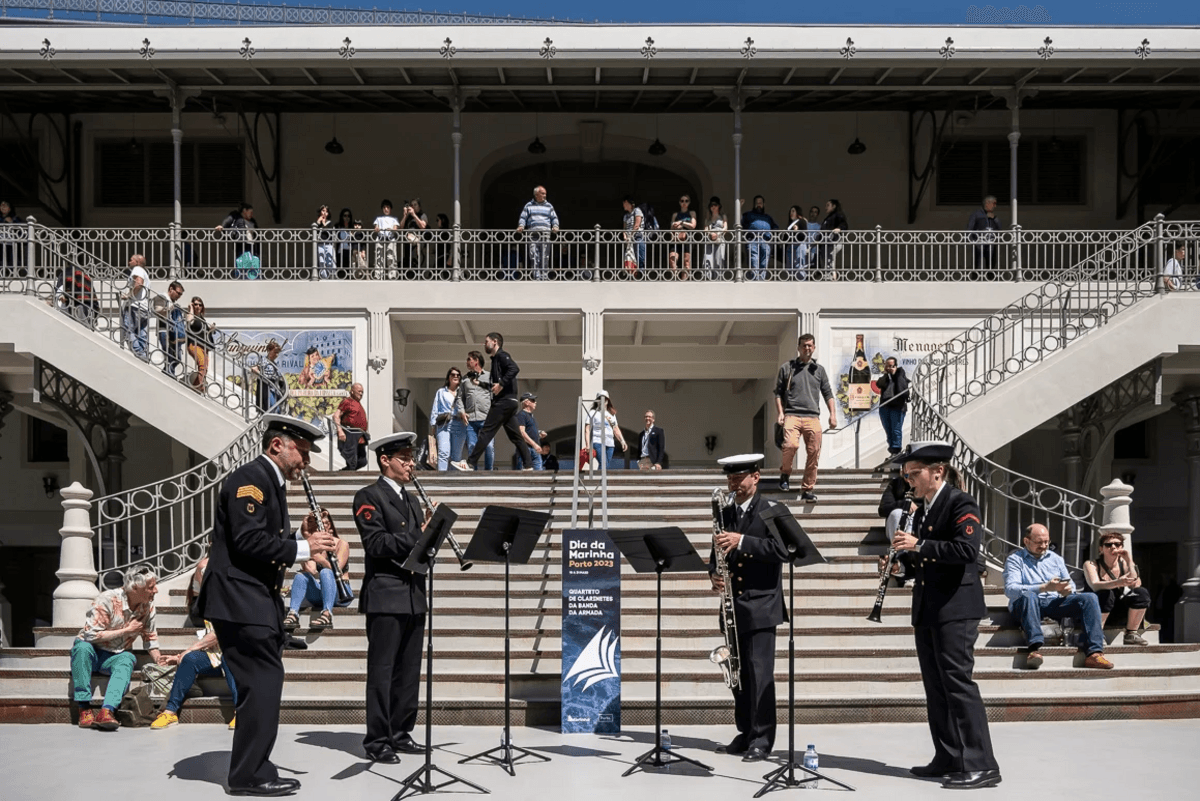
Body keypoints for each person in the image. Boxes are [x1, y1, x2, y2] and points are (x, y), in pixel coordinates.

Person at [195, 414, 337, 796]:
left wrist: (297, 536)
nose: (305, 463)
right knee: (262, 684)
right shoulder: (251, 480)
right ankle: (247, 775)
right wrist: (304, 548)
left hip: (252, 600)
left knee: (262, 685)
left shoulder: (270, 483)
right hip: (239, 600)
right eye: (302, 453)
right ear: (278, 445)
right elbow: (247, 542)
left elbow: (263, 539)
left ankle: (257, 766)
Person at [889, 442, 1001, 789]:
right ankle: (948, 756)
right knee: (935, 687)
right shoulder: (921, 510)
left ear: (937, 472)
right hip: (929, 607)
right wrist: (900, 566)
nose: (909, 481)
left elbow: (966, 550)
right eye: (906, 475)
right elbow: (924, 561)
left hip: (956, 608)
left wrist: (918, 545)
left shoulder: (960, 503)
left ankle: (982, 764)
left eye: (914, 474)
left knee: (958, 685)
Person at [354, 432, 433, 763]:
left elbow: (419, 549)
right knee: (383, 671)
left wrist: (433, 534)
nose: (411, 463)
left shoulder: (413, 500)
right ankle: (378, 740)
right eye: (404, 457)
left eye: (411, 457)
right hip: (386, 594)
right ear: (385, 460)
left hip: (414, 594)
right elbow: (377, 545)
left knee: (408, 671)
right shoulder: (367, 496)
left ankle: (400, 732)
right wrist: (419, 535)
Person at [708, 454, 788, 762]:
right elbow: (715, 550)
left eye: (738, 479)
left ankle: (762, 739)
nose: (733, 485)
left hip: (761, 604)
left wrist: (742, 541)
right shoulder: (725, 511)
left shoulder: (771, 511)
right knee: (738, 676)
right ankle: (745, 732)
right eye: (730, 480)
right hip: (732, 606)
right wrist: (713, 574)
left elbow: (783, 550)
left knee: (760, 675)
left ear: (755, 477)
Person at [1003, 523, 1114, 670]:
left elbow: (1071, 584)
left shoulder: (1055, 559)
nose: (1044, 546)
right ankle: (1034, 649)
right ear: (1026, 541)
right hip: (1027, 605)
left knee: (1089, 598)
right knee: (1029, 596)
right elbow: (1011, 590)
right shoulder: (1015, 560)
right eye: (1039, 542)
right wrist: (1043, 588)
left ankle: (1094, 653)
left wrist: (1067, 591)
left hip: (1053, 602)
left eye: (1046, 542)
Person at [70, 565, 166, 731]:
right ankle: (84, 708)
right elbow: (90, 635)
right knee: (82, 648)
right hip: (91, 651)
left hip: (115, 655)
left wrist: (158, 659)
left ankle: (107, 711)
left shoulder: (148, 606)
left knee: (128, 658)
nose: (156, 590)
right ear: (136, 587)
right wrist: (127, 631)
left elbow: (150, 638)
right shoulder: (106, 599)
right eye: (151, 587)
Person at [151, 555, 239, 730]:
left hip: (236, 653)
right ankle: (170, 712)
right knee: (190, 660)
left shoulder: (232, 596)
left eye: (206, 572)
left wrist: (185, 651)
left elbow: (220, 633)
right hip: (214, 655)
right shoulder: (206, 601)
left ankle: (241, 712)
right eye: (200, 572)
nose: (202, 575)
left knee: (228, 657)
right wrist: (184, 655)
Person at [774, 333, 837, 501]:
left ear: (814, 348)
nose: (807, 348)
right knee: (790, 445)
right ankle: (785, 474)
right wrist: (780, 412)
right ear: (799, 348)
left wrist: (832, 414)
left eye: (810, 345)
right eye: (804, 345)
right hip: (792, 414)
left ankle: (807, 489)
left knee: (814, 451)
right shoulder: (788, 368)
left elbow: (828, 393)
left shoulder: (819, 370)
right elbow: (778, 393)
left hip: (812, 417)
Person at [452, 332, 528, 471]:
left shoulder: (502, 356)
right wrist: (480, 384)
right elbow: (493, 387)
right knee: (516, 436)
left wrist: (502, 384)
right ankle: (529, 466)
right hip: (509, 402)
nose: (485, 344)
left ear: (495, 342)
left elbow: (514, 368)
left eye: (486, 341)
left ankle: (470, 463)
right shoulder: (495, 360)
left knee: (486, 432)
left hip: (503, 402)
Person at [1083, 532, 1151, 646]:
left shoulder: (1124, 563)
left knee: (1142, 593)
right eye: (1108, 545)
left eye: (1117, 544)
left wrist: (1129, 561)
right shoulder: (1091, 564)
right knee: (1106, 593)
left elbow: (1136, 584)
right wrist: (1117, 582)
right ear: (1101, 549)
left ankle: (1132, 633)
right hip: (1095, 610)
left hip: (1116, 611)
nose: (1113, 547)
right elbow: (1095, 585)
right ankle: (1096, 633)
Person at [283, 528, 352, 632]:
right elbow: (312, 570)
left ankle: (327, 614)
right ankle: (293, 614)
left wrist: (320, 559)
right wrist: (307, 553)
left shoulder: (341, 544)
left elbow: (337, 570)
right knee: (300, 576)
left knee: (326, 572)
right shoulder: (317, 547)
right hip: (323, 592)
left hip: (340, 593)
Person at [452, 350, 494, 471]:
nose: (467, 362)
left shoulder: (489, 377)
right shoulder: (465, 379)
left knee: (489, 447)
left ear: (476, 361)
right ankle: (473, 473)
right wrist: (462, 411)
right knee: (471, 446)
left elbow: (495, 395)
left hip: (487, 419)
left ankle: (489, 473)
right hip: (471, 420)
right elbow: (459, 398)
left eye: (469, 359)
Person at [517, 185, 560, 281]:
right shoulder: (529, 205)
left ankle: (544, 276)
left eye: (545, 194)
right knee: (533, 255)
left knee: (545, 255)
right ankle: (536, 276)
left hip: (545, 234)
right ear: (537, 195)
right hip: (533, 234)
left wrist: (555, 226)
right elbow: (523, 217)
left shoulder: (549, 206)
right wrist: (521, 226)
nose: (545, 195)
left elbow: (554, 218)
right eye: (543, 193)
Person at [876, 357, 910, 456]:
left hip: (897, 407)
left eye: (892, 366)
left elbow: (903, 389)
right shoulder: (885, 378)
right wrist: (887, 374)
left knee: (895, 429)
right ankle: (892, 451)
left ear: (896, 366)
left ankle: (896, 451)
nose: (889, 368)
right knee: (888, 430)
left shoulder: (900, 376)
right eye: (887, 366)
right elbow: (879, 383)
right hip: (885, 406)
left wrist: (896, 374)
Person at [585, 390, 628, 469]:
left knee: (606, 465)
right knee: (604, 463)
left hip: (610, 443)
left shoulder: (611, 414)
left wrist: (622, 441)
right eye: (600, 398)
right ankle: (601, 481)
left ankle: (600, 480)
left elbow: (615, 429)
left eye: (604, 399)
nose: (602, 401)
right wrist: (588, 445)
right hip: (597, 441)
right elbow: (587, 430)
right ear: (597, 401)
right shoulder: (593, 413)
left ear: (607, 401)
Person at [152, 280, 186, 378]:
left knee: (177, 358)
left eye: (180, 294)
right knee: (169, 354)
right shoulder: (162, 297)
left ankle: (167, 372)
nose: (179, 296)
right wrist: (169, 309)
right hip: (164, 330)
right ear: (171, 289)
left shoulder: (173, 301)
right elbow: (157, 310)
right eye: (178, 293)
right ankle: (170, 375)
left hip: (174, 332)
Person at [121, 254, 151, 361]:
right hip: (144, 307)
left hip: (135, 306)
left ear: (137, 262)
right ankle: (143, 356)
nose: (129, 262)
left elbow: (138, 283)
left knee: (127, 330)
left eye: (131, 260)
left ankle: (140, 354)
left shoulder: (137, 269)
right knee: (141, 333)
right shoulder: (145, 273)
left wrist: (129, 295)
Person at [216, 203, 259, 278]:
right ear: (244, 211)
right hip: (241, 243)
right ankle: (240, 276)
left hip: (252, 245)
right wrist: (222, 226)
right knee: (241, 261)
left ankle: (251, 277)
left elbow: (257, 233)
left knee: (253, 261)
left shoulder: (253, 221)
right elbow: (228, 220)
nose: (251, 214)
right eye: (250, 212)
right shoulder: (236, 216)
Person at [430, 367, 461, 471]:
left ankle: (454, 482)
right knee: (443, 452)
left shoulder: (462, 392)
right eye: (453, 374)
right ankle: (442, 479)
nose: (455, 376)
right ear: (448, 377)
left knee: (456, 457)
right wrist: (433, 426)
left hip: (459, 424)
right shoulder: (441, 392)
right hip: (444, 424)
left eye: (458, 375)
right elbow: (435, 408)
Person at [740, 195, 777, 280]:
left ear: (764, 204)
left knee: (764, 262)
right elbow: (740, 221)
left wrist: (772, 235)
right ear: (754, 204)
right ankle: (755, 280)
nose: (758, 204)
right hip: (753, 239)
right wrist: (739, 208)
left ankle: (761, 280)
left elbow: (775, 227)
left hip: (765, 240)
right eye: (757, 202)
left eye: (760, 202)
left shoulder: (768, 217)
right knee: (754, 260)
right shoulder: (748, 214)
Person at [335, 382, 370, 471]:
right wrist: (340, 431)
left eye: (362, 392)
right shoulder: (347, 401)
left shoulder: (357, 403)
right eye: (359, 391)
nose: (361, 394)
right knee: (352, 461)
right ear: (352, 391)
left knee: (362, 461)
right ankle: (347, 474)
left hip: (360, 435)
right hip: (350, 433)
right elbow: (336, 416)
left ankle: (345, 472)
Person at [184, 296, 215, 394]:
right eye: (196, 304)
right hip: (194, 344)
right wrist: (191, 309)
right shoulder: (191, 315)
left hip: (204, 346)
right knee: (202, 364)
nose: (198, 306)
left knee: (205, 368)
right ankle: (200, 386)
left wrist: (211, 329)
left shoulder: (202, 319)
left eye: (200, 305)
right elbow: (189, 321)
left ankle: (196, 386)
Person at [966, 195, 1003, 273]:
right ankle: (975, 278)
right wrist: (973, 240)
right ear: (987, 203)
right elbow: (970, 228)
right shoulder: (977, 214)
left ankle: (990, 278)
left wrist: (995, 219)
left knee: (991, 262)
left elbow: (1000, 228)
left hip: (991, 242)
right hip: (979, 242)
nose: (995, 206)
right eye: (994, 203)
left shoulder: (993, 216)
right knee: (978, 262)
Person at [813, 198, 849, 276]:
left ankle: (831, 277)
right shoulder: (829, 217)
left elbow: (844, 225)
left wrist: (839, 229)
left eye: (828, 205)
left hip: (832, 242)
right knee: (827, 261)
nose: (826, 207)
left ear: (834, 206)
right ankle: (828, 276)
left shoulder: (838, 214)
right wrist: (817, 240)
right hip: (825, 243)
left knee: (830, 260)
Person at [516, 392, 547, 470]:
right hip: (526, 449)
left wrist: (539, 433)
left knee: (538, 475)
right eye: (532, 400)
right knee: (525, 475)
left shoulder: (531, 416)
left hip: (534, 450)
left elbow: (529, 431)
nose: (535, 402)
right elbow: (522, 432)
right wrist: (535, 445)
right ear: (526, 402)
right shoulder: (521, 415)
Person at [668, 194, 697, 279]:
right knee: (672, 258)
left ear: (689, 203)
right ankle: (675, 278)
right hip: (676, 238)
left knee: (686, 261)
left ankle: (684, 281)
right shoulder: (675, 214)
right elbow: (671, 228)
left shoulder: (691, 213)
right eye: (682, 201)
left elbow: (693, 225)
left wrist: (681, 223)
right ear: (679, 202)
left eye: (686, 201)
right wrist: (674, 227)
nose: (684, 203)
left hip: (687, 238)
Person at [252, 339, 283, 412]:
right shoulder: (264, 360)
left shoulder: (275, 364)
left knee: (277, 409)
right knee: (273, 408)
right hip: (266, 387)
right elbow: (254, 368)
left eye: (278, 353)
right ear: (269, 351)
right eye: (275, 352)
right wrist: (261, 375)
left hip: (274, 388)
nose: (277, 355)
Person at [400, 198, 428, 278]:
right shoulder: (408, 217)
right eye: (412, 205)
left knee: (416, 262)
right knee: (408, 262)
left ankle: (417, 277)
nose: (413, 207)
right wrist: (405, 215)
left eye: (415, 205)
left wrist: (414, 215)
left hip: (417, 245)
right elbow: (401, 228)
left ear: (419, 207)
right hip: (408, 244)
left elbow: (423, 226)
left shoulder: (422, 215)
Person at [373, 199, 401, 279]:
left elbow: (396, 228)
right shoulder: (379, 218)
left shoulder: (394, 219)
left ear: (390, 209)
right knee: (379, 257)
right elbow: (376, 227)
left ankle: (392, 275)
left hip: (390, 238)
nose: (386, 209)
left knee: (391, 257)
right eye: (384, 207)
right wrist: (377, 229)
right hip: (380, 238)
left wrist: (391, 229)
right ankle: (378, 275)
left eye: (388, 207)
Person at [702, 196, 728, 280]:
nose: (713, 207)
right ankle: (709, 278)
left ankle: (718, 278)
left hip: (719, 240)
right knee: (708, 260)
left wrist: (717, 234)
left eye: (715, 205)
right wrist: (710, 233)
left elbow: (725, 228)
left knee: (718, 259)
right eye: (711, 205)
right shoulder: (708, 218)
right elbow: (705, 229)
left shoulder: (723, 216)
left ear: (719, 206)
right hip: (710, 240)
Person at [335, 208, 365, 277]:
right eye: (345, 215)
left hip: (350, 251)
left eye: (348, 216)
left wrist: (362, 250)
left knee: (350, 270)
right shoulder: (338, 226)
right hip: (340, 251)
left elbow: (360, 239)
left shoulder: (353, 227)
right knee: (340, 270)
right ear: (342, 217)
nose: (346, 217)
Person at [621, 196, 645, 274]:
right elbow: (624, 228)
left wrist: (630, 236)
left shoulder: (637, 211)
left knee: (639, 256)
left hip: (637, 237)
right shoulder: (626, 216)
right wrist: (625, 236)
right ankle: (631, 276)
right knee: (629, 257)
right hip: (628, 239)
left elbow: (637, 225)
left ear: (631, 204)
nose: (624, 205)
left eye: (625, 203)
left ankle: (641, 274)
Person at [1, 199, 24, 273]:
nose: (3, 207)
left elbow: (21, 230)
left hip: (11, 244)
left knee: (12, 262)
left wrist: (11, 222)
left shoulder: (15, 218)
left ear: (10, 208)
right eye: (1, 205)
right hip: (1, 244)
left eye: (6, 205)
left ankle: (12, 275)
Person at [314, 204, 336, 279]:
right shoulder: (317, 223)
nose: (324, 213)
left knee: (329, 260)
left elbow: (330, 233)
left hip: (328, 244)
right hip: (320, 244)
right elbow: (314, 231)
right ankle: (324, 277)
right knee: (321, 261)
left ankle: (331, 276)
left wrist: (324, 224)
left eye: (326, 211)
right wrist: (318, 222)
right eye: (323, 211)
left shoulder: (330, 223)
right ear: (320, 212)